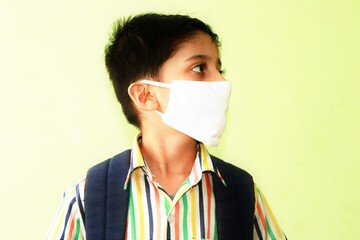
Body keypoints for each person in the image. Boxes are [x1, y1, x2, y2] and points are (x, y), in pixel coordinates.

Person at [46, 13, 287, 240]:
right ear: (145, 95)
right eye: (200, 68)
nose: (221, 81)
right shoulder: (88, 198)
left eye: (219, 68)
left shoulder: (241, 193)